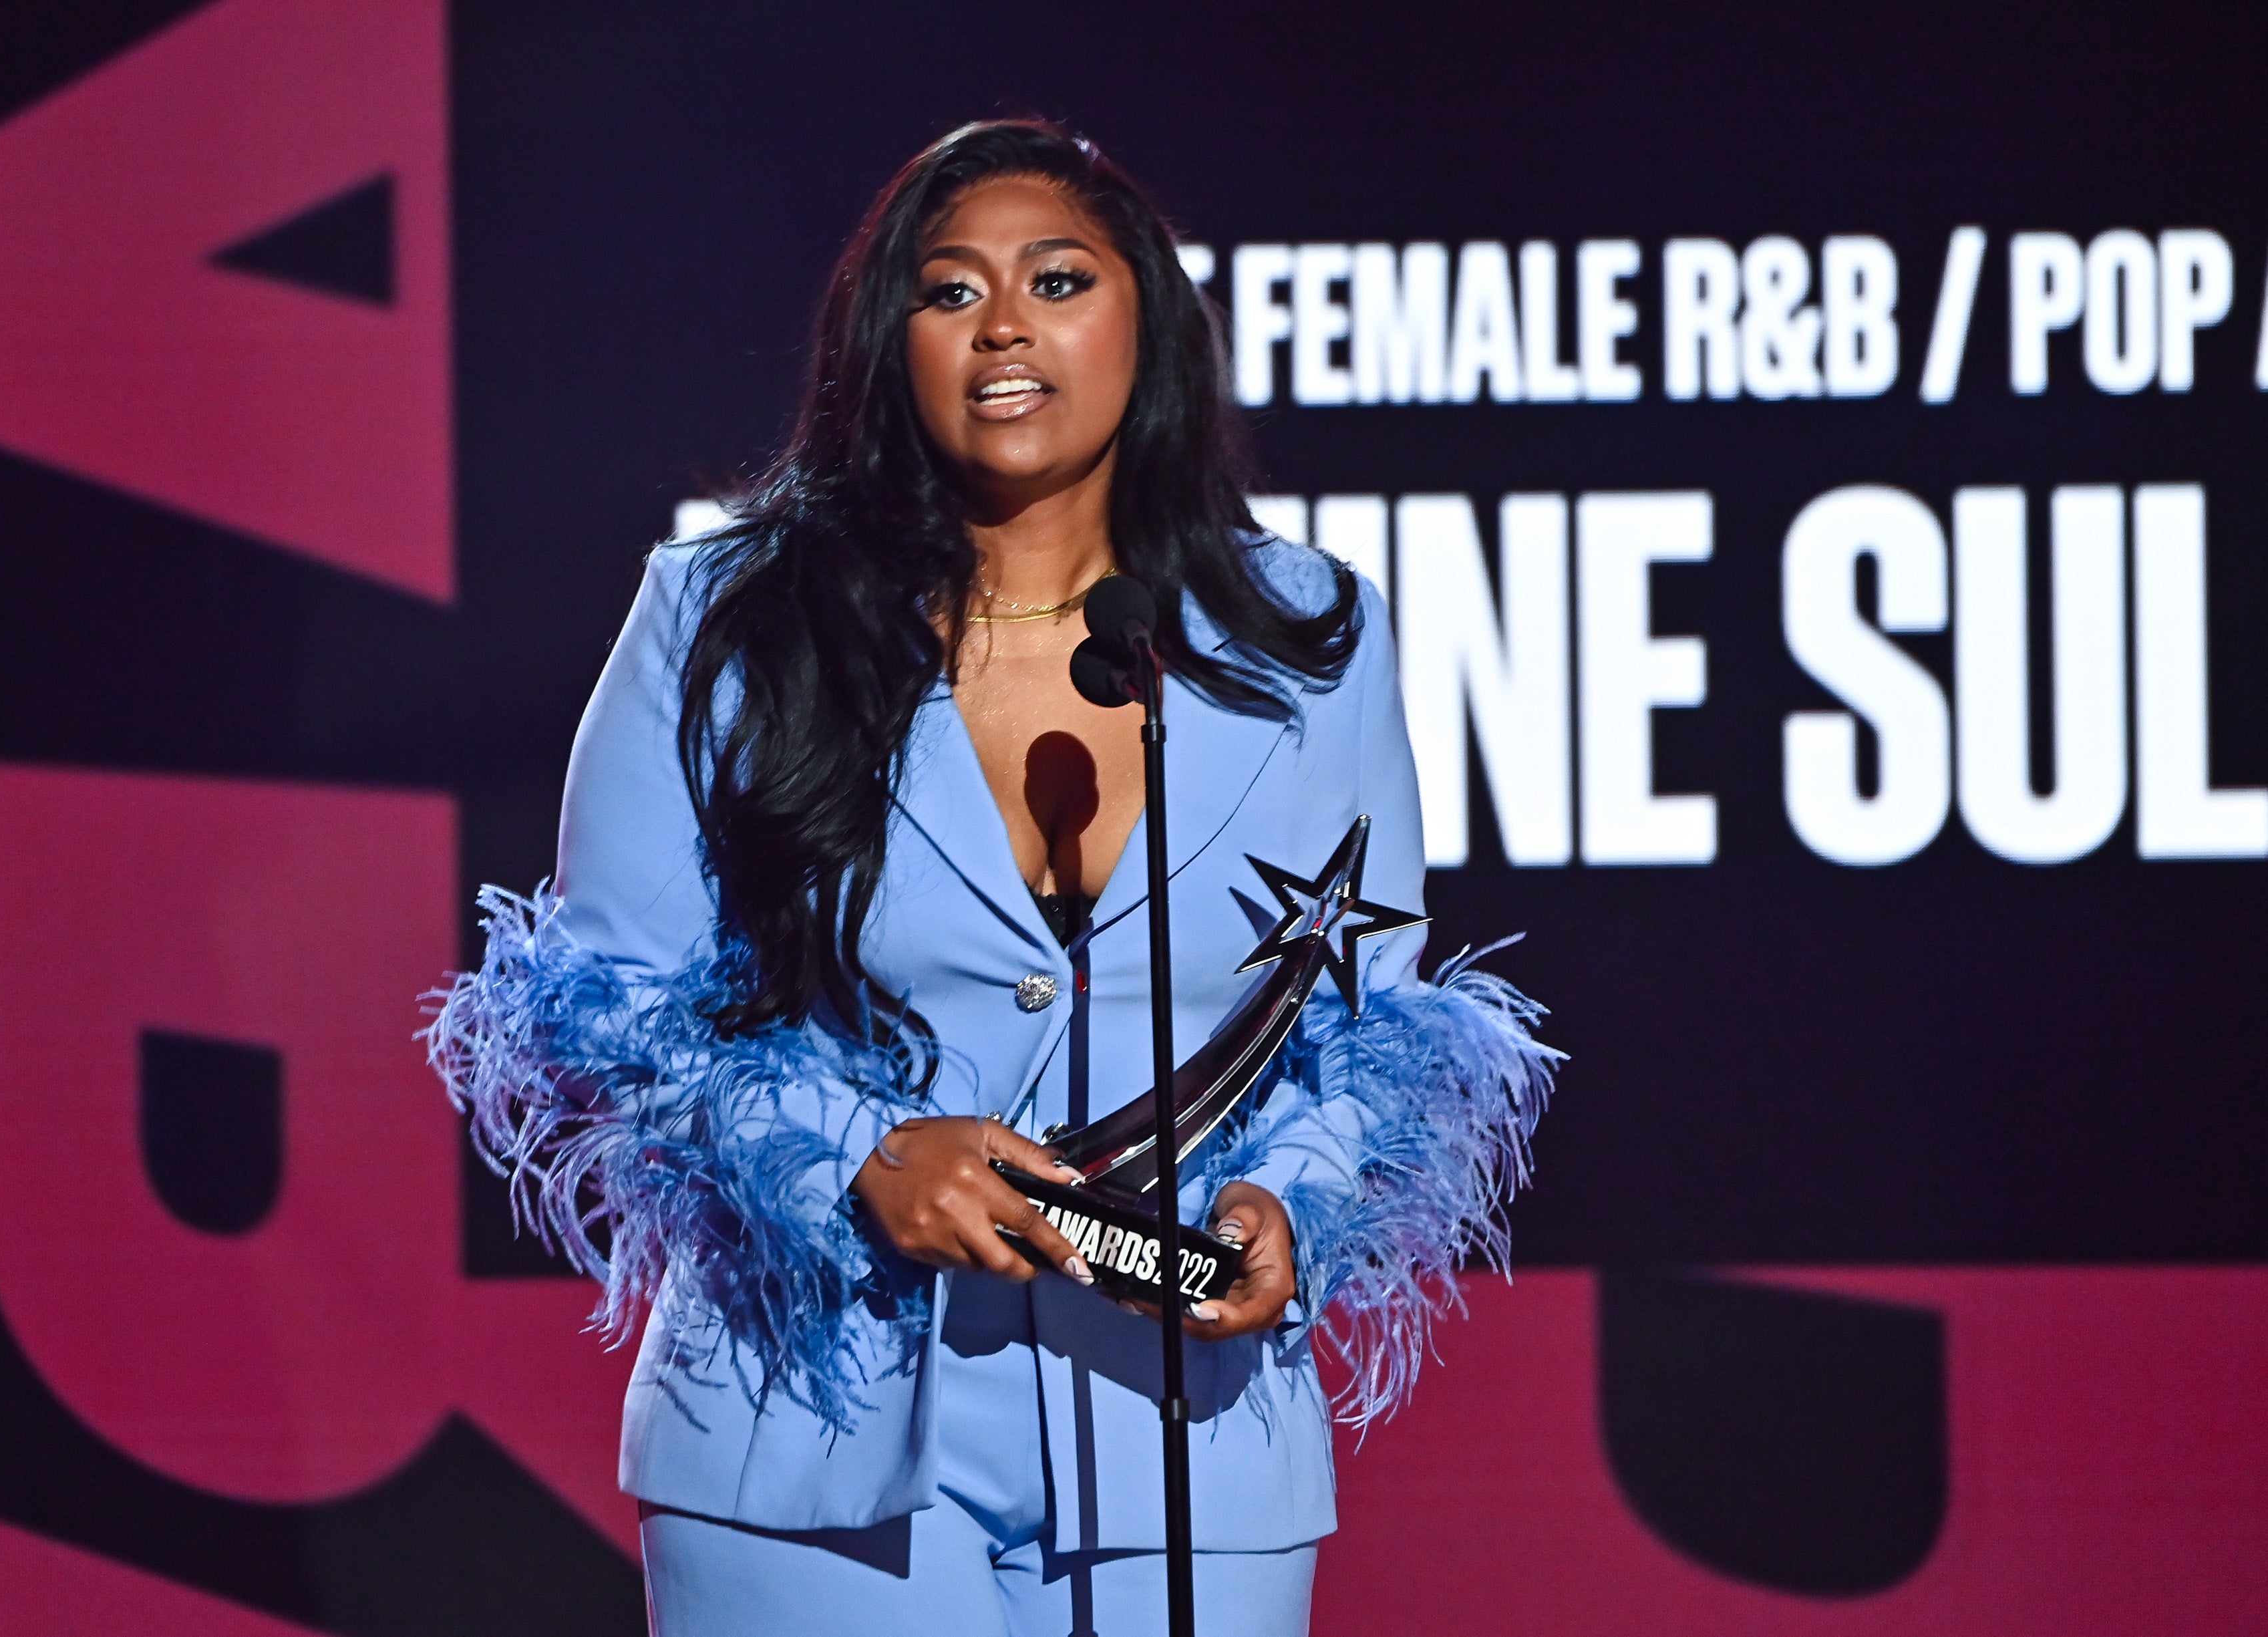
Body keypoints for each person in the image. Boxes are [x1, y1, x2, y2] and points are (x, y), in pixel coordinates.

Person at [428, 119, 1557, 1636]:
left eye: (1057, 279)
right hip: (807, 1443)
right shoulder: (723, 620)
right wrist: (857, 1162)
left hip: (1185, 1444)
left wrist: (1290, 1203)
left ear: (1144, 322)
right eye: (947, 292)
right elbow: (599, 1022)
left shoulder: (1303, 635)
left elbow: (1378, 1028)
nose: (1004, 325)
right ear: (883, 346)